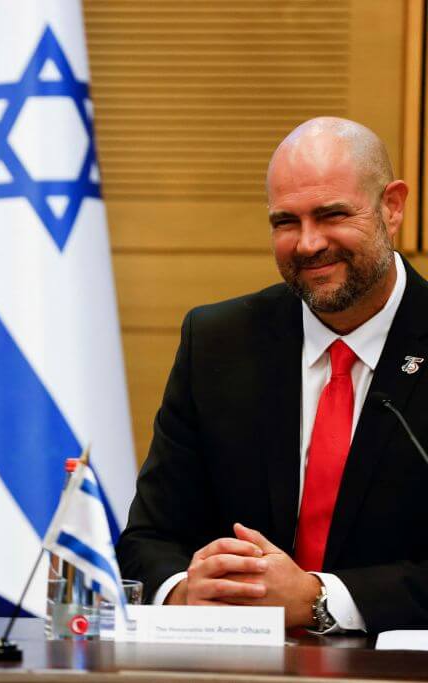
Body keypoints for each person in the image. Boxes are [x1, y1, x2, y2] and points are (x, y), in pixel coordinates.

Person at [116, 117, 428, 633]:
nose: (307, 244)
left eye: (331, 215)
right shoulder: (218, 341)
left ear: (391, 207)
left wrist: (319, 599)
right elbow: (149, 539)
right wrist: (184, 591)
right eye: (286, 222)